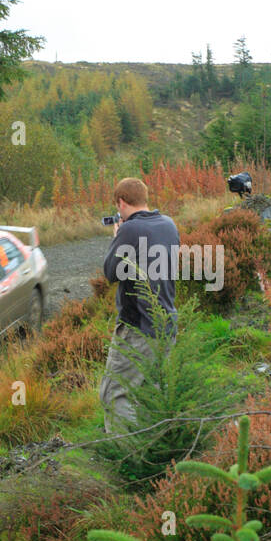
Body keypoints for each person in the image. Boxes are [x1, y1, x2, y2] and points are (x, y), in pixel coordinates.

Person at [99, 177, 180, 432]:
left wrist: (118, 236)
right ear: (144, 199)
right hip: (166, 323)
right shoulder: (168, 224)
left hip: (139, 327)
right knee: (148, 394)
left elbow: (111, 272)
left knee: (115, 394)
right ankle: (154, 452)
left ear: (121, 202)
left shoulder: (130, 230)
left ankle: (126, 457)